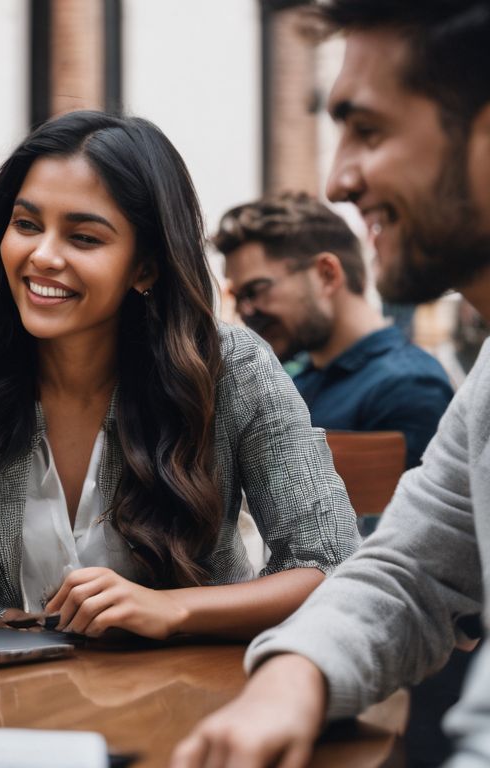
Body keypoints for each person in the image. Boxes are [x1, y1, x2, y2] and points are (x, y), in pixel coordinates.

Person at [0, 111, 359, 639]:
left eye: (84, 238)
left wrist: (175, 610)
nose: (42, 255)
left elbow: (333, 563)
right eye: (26, 224)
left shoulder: (232, 366)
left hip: (184, 696)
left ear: (146, 267)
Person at [172, 2, 490, 766]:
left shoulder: (408, 383)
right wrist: (294, 677)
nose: (337, 179)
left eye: (368, 129)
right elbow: (409, 568)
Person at [214, 191, 452, 468]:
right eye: (239, 297)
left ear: (327, 274)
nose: (246, 311)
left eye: (255, 290)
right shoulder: (298, 381)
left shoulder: (409, 387)